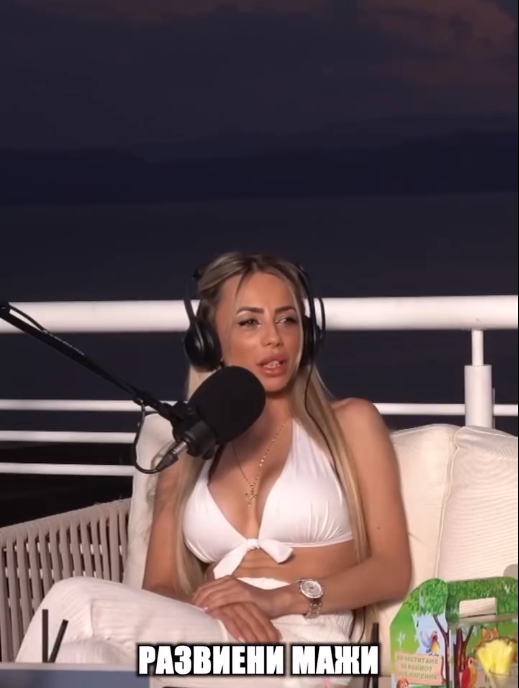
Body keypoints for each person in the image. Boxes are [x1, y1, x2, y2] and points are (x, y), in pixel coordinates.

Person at [15, 251, 412, 687]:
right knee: (84, 655)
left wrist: (278, 599)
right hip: (212, 639)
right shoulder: (189, 449)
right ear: (209, 342)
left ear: (308, 333)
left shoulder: (349, 423)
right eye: (249, 322)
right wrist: (216, 607)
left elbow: (391, 569)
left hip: (315, 654)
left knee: (76, 599)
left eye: (287, 319)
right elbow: (159, 587)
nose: (274, 339)